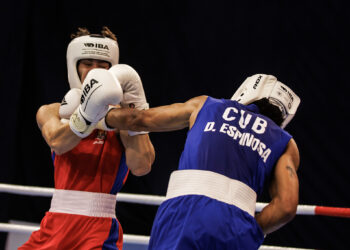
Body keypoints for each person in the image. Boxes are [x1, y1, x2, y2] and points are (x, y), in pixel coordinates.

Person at [104, 74, 301, 249]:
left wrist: (91, 115)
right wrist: (250, 231)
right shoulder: (285, 142)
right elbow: (287, 206)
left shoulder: (206, 105)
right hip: (238, 226)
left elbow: (139, 119)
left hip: (186, 213)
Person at [20, 27, 155, 249]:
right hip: (53, 225)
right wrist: (88, 114)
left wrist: (136, 108)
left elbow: (142, 166)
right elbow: (57, 142)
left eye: (102, 66)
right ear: (74, 66)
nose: (94, 71)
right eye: (87, 64)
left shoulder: (121, 119)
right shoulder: (53, 111)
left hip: (97, 229)